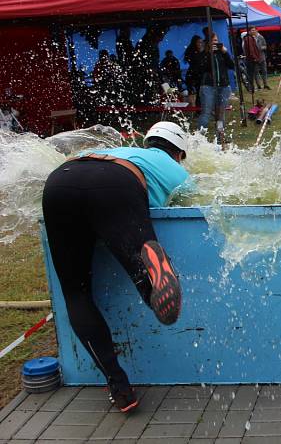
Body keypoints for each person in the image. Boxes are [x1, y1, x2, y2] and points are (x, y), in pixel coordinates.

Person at [41, 122, 190, 413]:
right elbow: (193, 200)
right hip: (116, 183)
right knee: (135, 258)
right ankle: (150, 275)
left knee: (76, 293)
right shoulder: (176, 169)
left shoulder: (121, 149)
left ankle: (118, 385)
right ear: (179, 153)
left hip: (61, 180)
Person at [196, 32, 235, 144]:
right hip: (208, 86)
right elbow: (201, 68)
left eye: (217, 41)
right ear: (208, 42)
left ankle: (220, 137)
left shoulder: (221, 53)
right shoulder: (203, 54)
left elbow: (232, 65)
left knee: (220, 114)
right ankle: (199, 139)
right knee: (206, 113)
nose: (216, 43)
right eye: (213, 41)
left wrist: (225, 52)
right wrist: (209, 54)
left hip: (223, 86)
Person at [183, 36, 205, 108]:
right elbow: (196, 63)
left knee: (200, 92)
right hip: (194, 75)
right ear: (195, 43)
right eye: (199, 42)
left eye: (201, 42)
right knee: (197, 92)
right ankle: (197, 109)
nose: (200, 44)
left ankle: (198, 108)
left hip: (197, 74)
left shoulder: (197, 52)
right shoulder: (192, 52)